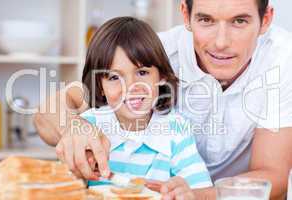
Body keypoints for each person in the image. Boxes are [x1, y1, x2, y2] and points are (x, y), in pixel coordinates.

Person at [34, 0, 292, 199]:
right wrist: (74, 128)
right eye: (206, 20)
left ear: (265, 19)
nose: (221, 42)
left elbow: (273, 178)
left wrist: (189, 195)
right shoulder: (150, 52)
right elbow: (54, 109)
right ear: (185, 15)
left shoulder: (282, 59)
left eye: (239, 21)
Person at [76, 16, 211, 190]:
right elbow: (64, 186)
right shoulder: (87, 127)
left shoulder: (176, 130)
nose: (132, 86)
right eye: (114, 77)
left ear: (161, 76)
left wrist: (185, 192)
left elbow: (198, 190)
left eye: (142, 73)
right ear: (100, 86)